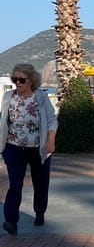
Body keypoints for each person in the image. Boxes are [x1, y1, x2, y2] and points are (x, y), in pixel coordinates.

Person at [0, 63, 57, 235]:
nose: (17, 83)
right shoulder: (8, 97)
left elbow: (52, 120)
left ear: (31, 81)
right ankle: (11, 220)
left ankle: (40, 211)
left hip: (37, 147)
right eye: (15, 79)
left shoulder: (40, 97)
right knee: (15, 184)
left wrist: (51, 141)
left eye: (21, 80)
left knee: (40, 182)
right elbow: (3, 121)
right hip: (14, 147)